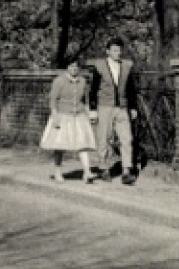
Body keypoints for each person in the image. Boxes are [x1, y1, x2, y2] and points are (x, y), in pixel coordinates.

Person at [89, 36, 138, 185]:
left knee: (126, 138)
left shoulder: (126, 66)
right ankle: (103, 168)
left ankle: (126, 171)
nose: (118, 52)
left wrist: (133, 107)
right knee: (103, 138)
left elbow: (131, 88)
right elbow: (93, 89)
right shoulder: (99, 66)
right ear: (108, 51)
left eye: (120, 49)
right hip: (105, 106)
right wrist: (93, 109)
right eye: (115, 50)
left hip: (122, 107)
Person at [40, 55, 96, 185]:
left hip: (79, 116)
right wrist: (55, 117)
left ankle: (87, 172)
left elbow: (86, 100)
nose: (74, 69)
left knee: (83, 144)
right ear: (67, 67)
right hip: (63, 115)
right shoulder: (59, 81)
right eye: (71, 66)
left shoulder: (83, 81)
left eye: (77, 66)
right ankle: (58, 171)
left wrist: (89, 113)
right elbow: (53, 100)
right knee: (60, 145)